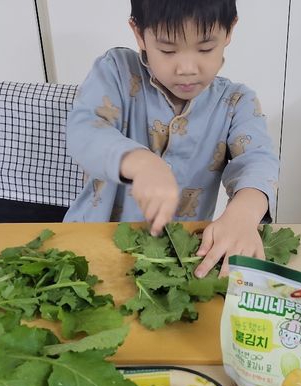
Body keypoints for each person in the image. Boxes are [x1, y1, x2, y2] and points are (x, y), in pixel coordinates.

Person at [63, 0, 279, 278]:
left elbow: (258, 161)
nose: (187, 68)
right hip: (90, 247)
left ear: (229, 31)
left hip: (177, 260)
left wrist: (244, 214)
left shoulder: (237, 102)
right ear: (139, 33)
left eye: (205, 48)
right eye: (168, 50)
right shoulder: (116, 71)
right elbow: (84, 130)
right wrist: (140, 162)